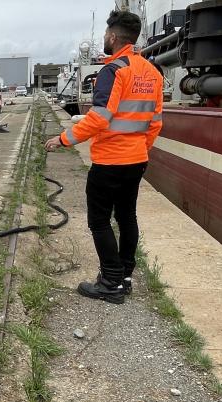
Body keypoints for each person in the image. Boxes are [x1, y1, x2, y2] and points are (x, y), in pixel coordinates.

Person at [44, 10, 164, 304]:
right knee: (127, 217)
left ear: (113, 36)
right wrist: (139, 149)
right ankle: (124, 276)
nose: (103, 39)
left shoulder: (114, 71)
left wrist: (62, 139)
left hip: (110, 161)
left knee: (99, 221)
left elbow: (99, 119)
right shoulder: (152, 72)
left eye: (105, 35)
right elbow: (156, 122)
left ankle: (110, 282)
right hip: (136, 159)